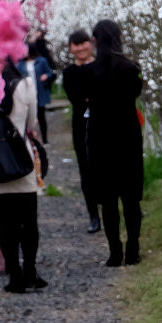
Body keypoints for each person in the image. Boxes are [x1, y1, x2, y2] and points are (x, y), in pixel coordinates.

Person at [0, 60, 44, 293]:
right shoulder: (26, 85)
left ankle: (15, 275)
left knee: (4, 225)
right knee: (29, 222)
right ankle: (30, 271)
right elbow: (31, 123)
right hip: (20, 161)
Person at [87, 19, 144, 266]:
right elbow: (135, 93)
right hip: (127, 137)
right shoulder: (131, 68)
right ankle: (133, 249)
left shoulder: (90, 72)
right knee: (131, 199)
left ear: (96, 41)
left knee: (108, 201)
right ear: (119, 38)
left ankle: (114, 252)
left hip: (100, 140)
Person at [62, 29, 101, 233]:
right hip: (81, 126)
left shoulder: (101, 65)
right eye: (75, 45)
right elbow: (76, 98)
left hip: (103, 124)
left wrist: (90, 97)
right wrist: (91, 97)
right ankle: (93, 215)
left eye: (83, 43)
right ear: (70, 48)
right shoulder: (69, 72)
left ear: (91, 43)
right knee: (86, 170)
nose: (80, 48)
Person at [20, 34, 56, 143]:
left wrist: (46, 76)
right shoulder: (20, 64)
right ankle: (31, 138)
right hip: (27, 93)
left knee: (41, 116)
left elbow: (50, 72)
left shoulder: (42, 60)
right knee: (28, 117)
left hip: (39, 91)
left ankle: (44, 139)